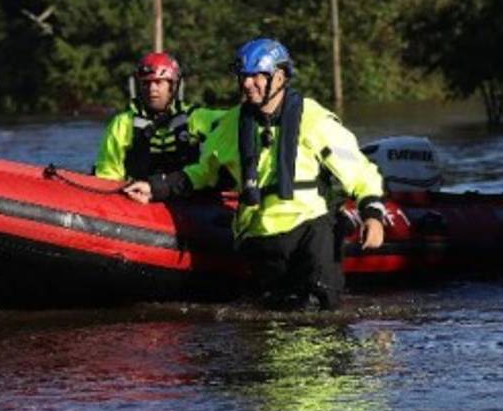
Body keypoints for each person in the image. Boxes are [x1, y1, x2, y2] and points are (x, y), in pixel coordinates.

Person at [123, 38, 386, 310]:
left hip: (310, 230)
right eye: (243, 77)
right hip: (260, 236)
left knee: (318, 316)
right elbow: (204, 172)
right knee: (274, 323)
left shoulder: (313, 119)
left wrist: (373, 215)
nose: (247, 84)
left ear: (280, 77)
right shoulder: (232, 124)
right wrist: (156, 187)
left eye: (256, 77)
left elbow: (359, 171)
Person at [94, 51, 225, 181]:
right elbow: (108, 173)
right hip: (137, 196)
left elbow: (233, 119)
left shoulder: (194, 118)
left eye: (158, 82)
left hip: (185, 194)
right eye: (146, 83)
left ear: (173, 86)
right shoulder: (123, 123)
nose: (152, 89)